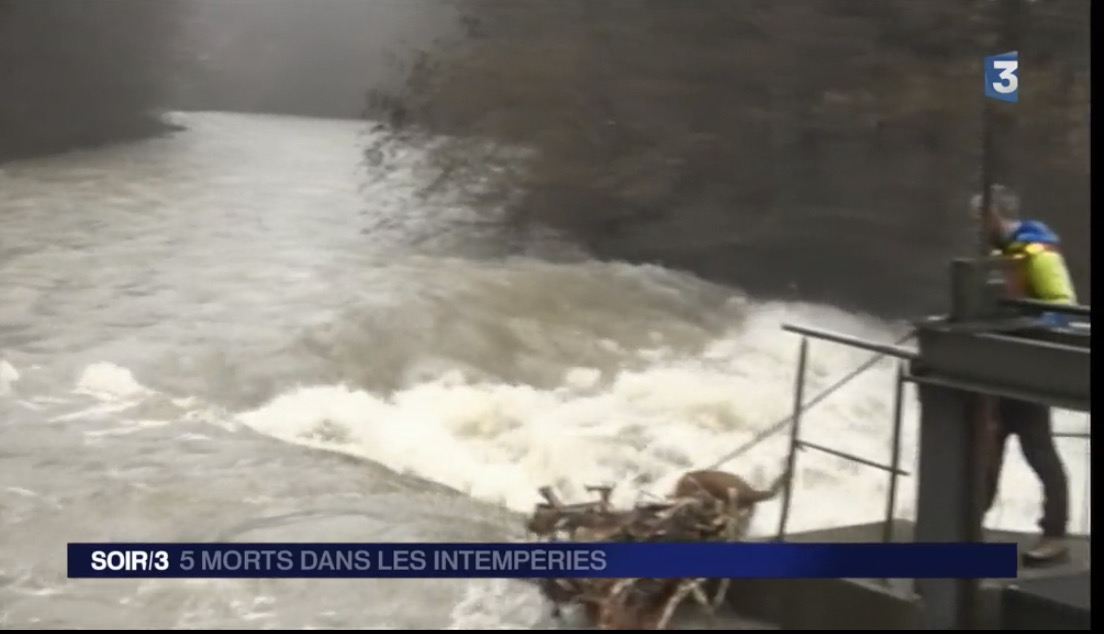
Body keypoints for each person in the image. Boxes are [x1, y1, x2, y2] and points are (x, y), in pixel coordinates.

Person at [970, 184, 1074, 565]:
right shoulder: (1001, 256)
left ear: (993, 216)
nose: (978, 230)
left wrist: (1028, 329)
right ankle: (969, 527)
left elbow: (1063, 306)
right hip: (1000, 369)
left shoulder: (1039, 254)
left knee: (1039, 451)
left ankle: (1054, 534)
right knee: (987, 452)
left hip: (1026, 368)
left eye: (980, 221)